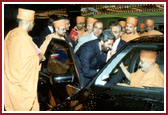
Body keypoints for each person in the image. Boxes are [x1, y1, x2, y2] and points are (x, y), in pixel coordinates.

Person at [4, 8, 42, 111]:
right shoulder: (24, 38)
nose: (33, 25)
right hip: (22, 88)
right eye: (33, 23)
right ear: (28, 22)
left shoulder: (11, 33)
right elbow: (32, 60)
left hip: (10, 84)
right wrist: (40, 57)